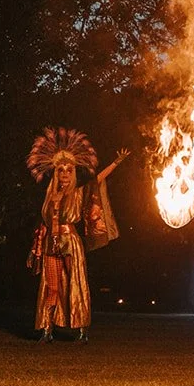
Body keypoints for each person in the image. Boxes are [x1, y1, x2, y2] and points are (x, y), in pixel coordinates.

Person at [26, 128, 127, 343]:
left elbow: (96, 180)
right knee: (51, 286)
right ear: (56, 173)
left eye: (68, 170)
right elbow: (43, 224)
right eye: (60, 170)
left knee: (75, 284)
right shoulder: (49, 197)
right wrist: (36, 248)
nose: (64, 174)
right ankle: (47, 330)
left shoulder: (78, 193)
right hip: (50, 244)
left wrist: (116, 163)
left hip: (70, 242)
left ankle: (82, 330)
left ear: (73, 173)